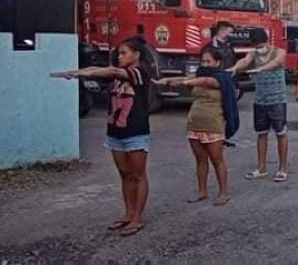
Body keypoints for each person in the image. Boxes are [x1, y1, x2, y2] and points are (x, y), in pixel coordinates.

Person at [51, 37, 152, 236]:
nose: (119, 57)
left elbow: (110, 70)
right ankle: (128, 214)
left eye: (124, 53)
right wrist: (79, 74)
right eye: (119, 53)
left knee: (138, 175)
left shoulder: (140, 73)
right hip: (115, 132)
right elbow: (103, 72)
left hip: (136, 131)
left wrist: (77, 72)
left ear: (136, 55)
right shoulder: (116, 75)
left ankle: (137, 218)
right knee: (125, 175)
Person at [153, 49, 239, 206]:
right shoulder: (199, 75)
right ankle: (202, 191)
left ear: (217, 62)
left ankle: (223, 192)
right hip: (195, 123)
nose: (205, 64)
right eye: (203, 61)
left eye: (209, 61)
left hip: (213, 124)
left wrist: (184, 83)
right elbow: (187, 78)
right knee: (200, 159)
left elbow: (205, 81)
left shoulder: (221, 78)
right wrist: (163, 81)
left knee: (216, 159)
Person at [228, 29, 291, 182]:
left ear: (267, 41)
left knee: (280, 133)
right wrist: (235, 67)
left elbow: (277, 62)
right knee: (261, 133)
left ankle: (282, 168)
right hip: (260, 100)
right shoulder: (253, 53)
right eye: (256, 45)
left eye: (260, 45)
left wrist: (262, 68)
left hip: (277, 99)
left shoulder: (279, 51)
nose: (258, 48)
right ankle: (261, 168)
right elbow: (244, 61)